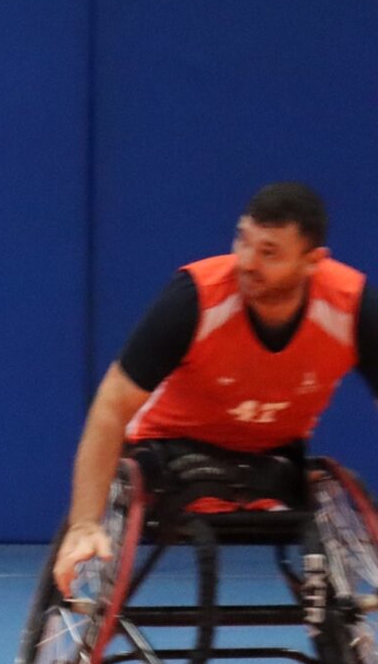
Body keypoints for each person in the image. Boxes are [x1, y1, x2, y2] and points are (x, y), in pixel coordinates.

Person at [52, 182, 374, 585]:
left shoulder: (351, 306)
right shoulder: (195, 298)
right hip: (170, 451)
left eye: (269, 252)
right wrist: (84, 524)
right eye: (242, 240)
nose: (246, 261)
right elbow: (112, 404)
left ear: (313, 262)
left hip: (273, 461)